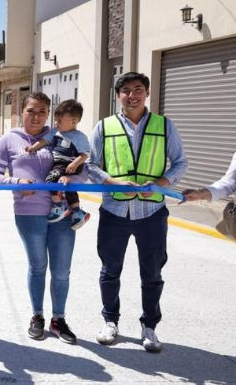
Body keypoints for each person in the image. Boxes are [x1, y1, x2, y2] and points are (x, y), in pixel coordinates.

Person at [86, 72, 188, 353]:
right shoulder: (104, 127)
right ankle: (110, 321)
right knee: (109, 270)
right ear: (118, 95)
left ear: (147, 93)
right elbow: (91, 165)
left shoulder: (164, 125)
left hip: (151, 212)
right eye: (127, 90)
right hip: (114, 209)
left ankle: (150, 327)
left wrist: (160, 185)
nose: (133, 95)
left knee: (152, 272)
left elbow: (180, 162)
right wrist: (114, 182)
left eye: (138, 89)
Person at [0, 92, 80, 344]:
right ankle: (37, 316)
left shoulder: (61, 137)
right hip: (29, 214)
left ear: (49, 114)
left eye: (42, 111)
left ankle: (58, 319)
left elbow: (83, 170)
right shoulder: (8, 140)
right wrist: (17, 183)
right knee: (38, 267)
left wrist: (70, 179)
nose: (37, 116)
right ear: (22, 112)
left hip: (62, 213)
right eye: (31, 110)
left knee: (61, 271)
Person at [25, 99, 91, 230]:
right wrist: (33, 147)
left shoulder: (79, 136)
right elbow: (45, 140)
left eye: (59, 121)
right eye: (55, 120)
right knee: (69, 188)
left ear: (74, 122)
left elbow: (85, 154)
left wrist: (74, 164)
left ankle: (59, 205)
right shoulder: (55, 132)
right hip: (59, 165)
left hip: (69, 164)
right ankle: (77, 211)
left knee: (50, 180)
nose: (56, 123)